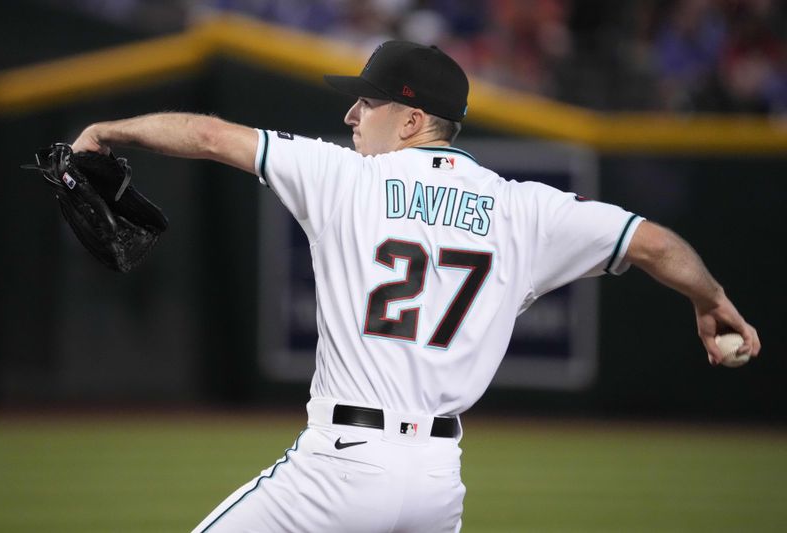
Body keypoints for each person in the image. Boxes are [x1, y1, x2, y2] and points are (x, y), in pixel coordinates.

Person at [72, 40, 760, 532]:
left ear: (409, 121)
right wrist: (712, 300)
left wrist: (106, 129)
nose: (350, 117)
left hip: (340, 470)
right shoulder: (524, 208)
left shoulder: (345, 177)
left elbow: (208, 133)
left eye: (364, 103)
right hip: (437, 484)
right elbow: (655, 243)